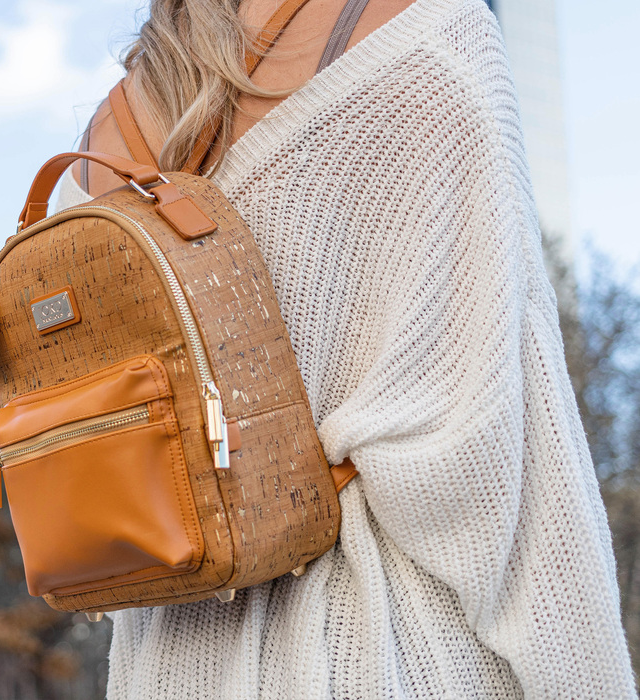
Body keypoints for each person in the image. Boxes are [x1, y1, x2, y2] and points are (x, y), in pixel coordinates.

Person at [55, 0, 637, 697]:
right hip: (381, 661)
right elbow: (509, 477)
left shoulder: (97, 147)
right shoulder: (427, 38)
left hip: (169, 670)